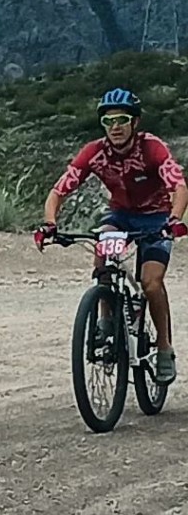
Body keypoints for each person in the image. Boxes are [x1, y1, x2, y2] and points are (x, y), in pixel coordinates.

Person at [37, 87, 188, 384]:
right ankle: (105, 318)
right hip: (120, 214)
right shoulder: (94, 152)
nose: (115, 127)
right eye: (108, 121)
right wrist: (49, 223)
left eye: (121, 119)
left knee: (151, 282)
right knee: (102, 256)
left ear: (135, 122)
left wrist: (175, 219)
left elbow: (179, 186)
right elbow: (59, 190)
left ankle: (164, 348)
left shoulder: (152, 148)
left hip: (156, 217)